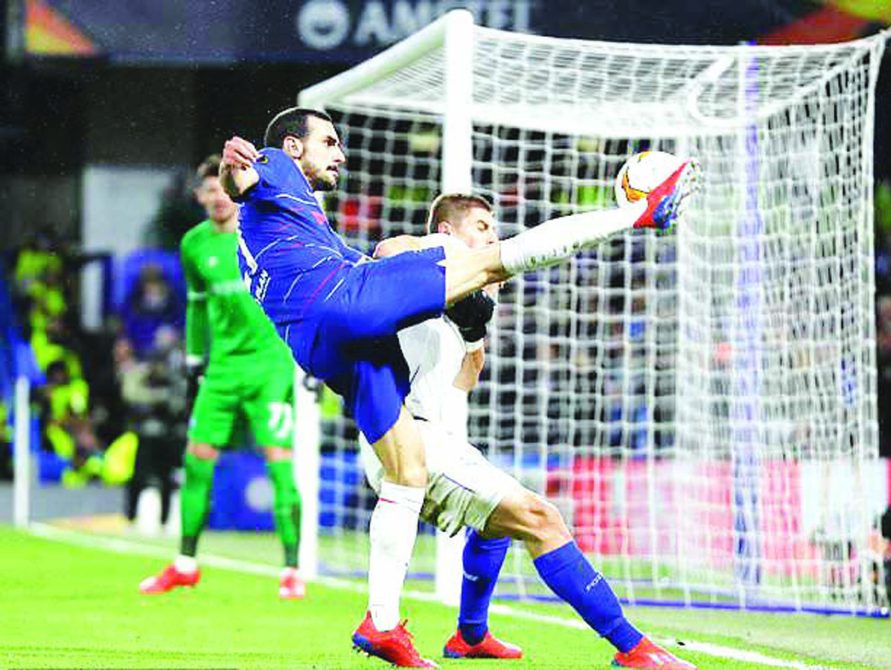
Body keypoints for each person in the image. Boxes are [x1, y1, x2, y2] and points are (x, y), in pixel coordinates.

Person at [220, 107, 696, 667]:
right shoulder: (280, 168)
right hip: (342, 304)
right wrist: (235, 170)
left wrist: (471, 329)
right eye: (329, 141)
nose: (341, 153)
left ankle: (393, 625)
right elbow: (246, 180)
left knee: (411, 478)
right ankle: (634, 214)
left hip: (328, 344)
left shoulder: (301, 227)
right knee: (499, 266)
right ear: (295, 149)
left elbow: (464, 376)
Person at [359, 193, 696, 669]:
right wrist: (445, 267)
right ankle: (633, 647)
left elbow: (467, 373)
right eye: (480, 225)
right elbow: (388, 250)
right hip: (403, 438)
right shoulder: (416, 261)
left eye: (493, 226)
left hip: (428, 436)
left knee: (497, 524)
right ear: (446, 231)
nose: (491, 235)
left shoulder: (464, 305)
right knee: (541, 517)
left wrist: (471, 332)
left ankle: (471, 637)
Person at [140, 155, 304, 600]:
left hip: (270, 365)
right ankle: (186, 563)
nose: (216, 197)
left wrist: (305, 354)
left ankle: (291, 570)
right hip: (222, 369)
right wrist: (194, 363)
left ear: (233, 191)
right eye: (208, 190)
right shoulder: (194, 245)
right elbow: (196, 306)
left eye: (222, 189)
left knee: (280, 464)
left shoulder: (262, 230)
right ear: (199, 196)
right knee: (196, 459)